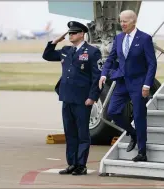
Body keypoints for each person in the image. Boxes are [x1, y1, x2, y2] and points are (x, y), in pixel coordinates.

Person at [42, 21, 102, 175]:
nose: (71, 35)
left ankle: (81, 165)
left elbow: (97, 77)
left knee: (82, 134)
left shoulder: (92, 52)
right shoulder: (66, 50)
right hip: (67, 97)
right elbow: (47, 55)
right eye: (69, 33)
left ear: (82, 34)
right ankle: (72, 164)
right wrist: (55, 41)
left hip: (83, 99)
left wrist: (93, 97)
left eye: (74, 33)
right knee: (70, 133)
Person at [98, 10, 157, 162]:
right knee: (112, 112)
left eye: (125, 21)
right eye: (121, 21)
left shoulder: (144, 38)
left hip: (138, 83)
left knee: (139, 116)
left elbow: (152, 64)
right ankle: (133, 133)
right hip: (122, 82)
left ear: (133, 21)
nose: (122, 24)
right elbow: (111, 59)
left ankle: (142, 152)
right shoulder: (119, 38)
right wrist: (104, 74)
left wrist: (147, 84)